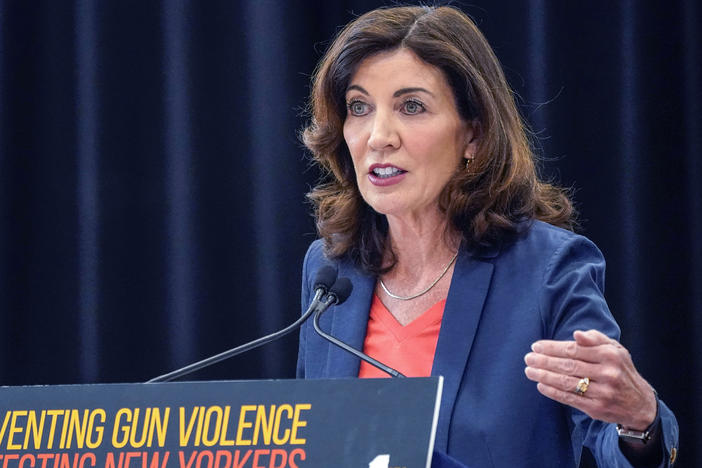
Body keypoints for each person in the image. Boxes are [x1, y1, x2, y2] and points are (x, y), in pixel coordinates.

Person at [296, 5, 679, 467]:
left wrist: (639, 421)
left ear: (473, 136)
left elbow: (609, 442)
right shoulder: (331, 271)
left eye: (411, 106)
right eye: (359, 107)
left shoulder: (548, 270)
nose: (378, 136)